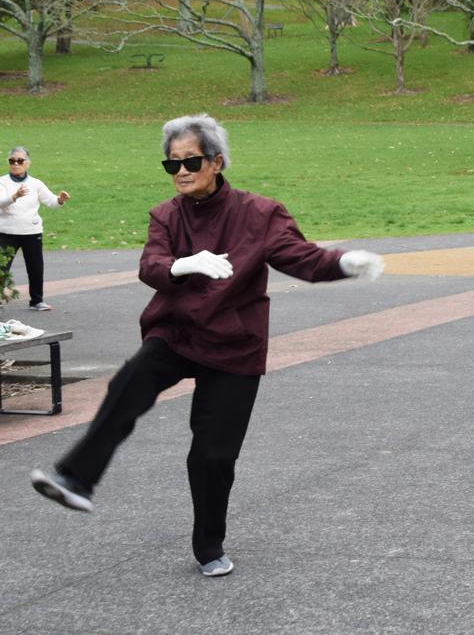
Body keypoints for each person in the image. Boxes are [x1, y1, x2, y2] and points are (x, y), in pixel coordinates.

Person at [30, 114, 384, 578]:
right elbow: (151, 265)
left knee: (213, 454)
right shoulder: (166, 215)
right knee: (130, 382)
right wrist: (181, 265)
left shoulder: (259, 213)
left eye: (190, 161)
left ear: (216, 162)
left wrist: (343, 263)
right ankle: (75, 478)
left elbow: (300, 257)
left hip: (235, 343)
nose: (180, 171)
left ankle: (209, 543)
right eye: (171, 164)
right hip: (176, 331)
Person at [0, 146, 71, 311]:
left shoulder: (35, 183)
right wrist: (14, 197)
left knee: (35, 267)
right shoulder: (2, 182)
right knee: (2, 267)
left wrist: (60, 200)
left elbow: (51, 202)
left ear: (28, 163)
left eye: (20, 161)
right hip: (6, 232)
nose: (16, 164)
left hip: (31, 232)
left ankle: (37, 301)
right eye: (12, 161)